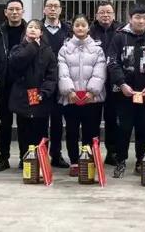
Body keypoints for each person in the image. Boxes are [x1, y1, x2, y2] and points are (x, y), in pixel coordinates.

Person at [107, 4, 145, 178]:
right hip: (124, 93)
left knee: (144, 128)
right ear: (130, 19)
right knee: (123, 128)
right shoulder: (119, 37)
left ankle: (141, 161)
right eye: (137, 18)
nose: (141, 21)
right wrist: (122, 84)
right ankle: (121, 161)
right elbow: (112, 62)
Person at [57, 15, 107, 177]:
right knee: (71, 131)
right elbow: (62, 72)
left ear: (88, 28)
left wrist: (92, 91)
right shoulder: (64, 49)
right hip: (71, 98)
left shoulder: (97, 49)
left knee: (91, 131)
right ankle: (74, 162)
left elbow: (100, 72)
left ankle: (88, 160)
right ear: (72, 28)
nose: (80, 28)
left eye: (83, 25)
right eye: (77, 25)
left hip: (92, 99)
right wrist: (69, 91)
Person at [9, 20, 58, 167]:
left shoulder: (48, 51)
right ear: (25, 31)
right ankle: (25, 159)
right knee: (23, 130)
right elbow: (17, 63)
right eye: (30, 27)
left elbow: (52, 76)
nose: (33, 30)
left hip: (40, 96)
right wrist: (33, 46)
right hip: (22, 96)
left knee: (41, 130)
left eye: (37, 28)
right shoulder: (17, 49)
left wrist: (44, 92)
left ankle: (41, 159)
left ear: (41, 33)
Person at [0, 0, 27, 172]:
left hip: (23, 85)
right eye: (11, 9)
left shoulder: (29, 30)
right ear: (5, 12)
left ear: (23, 11)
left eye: (17, 9)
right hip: (4, 84)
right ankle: (3, 158)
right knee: (5, 123)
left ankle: (24, 157)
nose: (14, 12)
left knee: (24, 123)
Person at [89, 1, 123, 165]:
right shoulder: (89, 31)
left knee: (112, 119)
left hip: (114, 82)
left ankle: (112, 152)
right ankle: (91, 153)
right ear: (96, 15)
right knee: (92, 119)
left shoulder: (121, 31)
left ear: (114, 15)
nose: (105, 15)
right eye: (102, 12)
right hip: (93, 82)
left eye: (108, 12)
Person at [41, 0, 72, 167]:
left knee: (58, 120)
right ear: (44, 9)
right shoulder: (37, 28)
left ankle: (56, 154)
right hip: (42, 82)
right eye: (49, 6)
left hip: (62, 81)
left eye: (56, 6)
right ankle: (41, 154)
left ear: (60, 10)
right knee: (41, 120)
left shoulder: (68, 30)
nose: (52, 9)